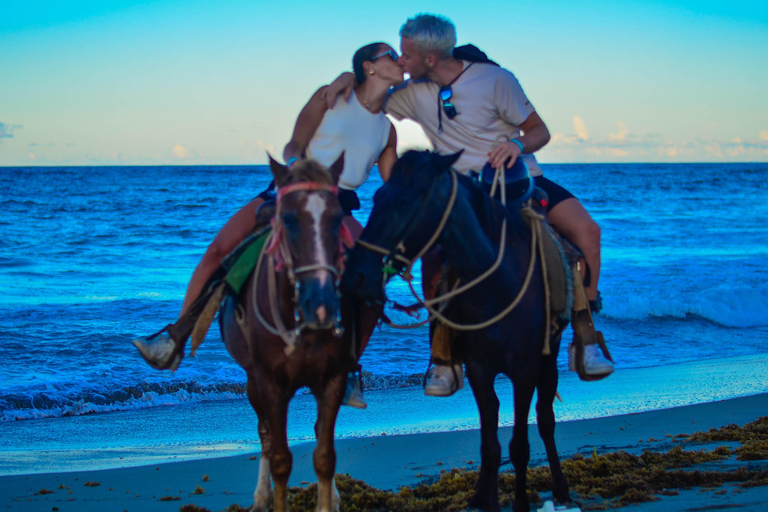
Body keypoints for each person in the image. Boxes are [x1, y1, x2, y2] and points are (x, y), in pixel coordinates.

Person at [324, 14, 613, 396]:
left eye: (405, 55)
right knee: (431, 255)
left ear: (428, 58)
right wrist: (346, 79)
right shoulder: (413, 94)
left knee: (587, 233)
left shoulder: (496, 80)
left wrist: (517, 145)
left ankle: (586, 338)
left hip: (516, 178)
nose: (400, 63)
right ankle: (441, 358)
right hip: (460, 191)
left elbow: (539, 130)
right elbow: (368, 100)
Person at [133, 42, 405, 408]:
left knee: (374, 278)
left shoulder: (387, 130)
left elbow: (396, 186)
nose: (399, 60)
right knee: (219, 250)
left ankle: (349, 367)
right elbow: (295, 141)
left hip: (336, 207)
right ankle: (175, 338)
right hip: (294, 189)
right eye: (391, 54)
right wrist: (293, 164)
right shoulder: (331, 97)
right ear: (369, 66)